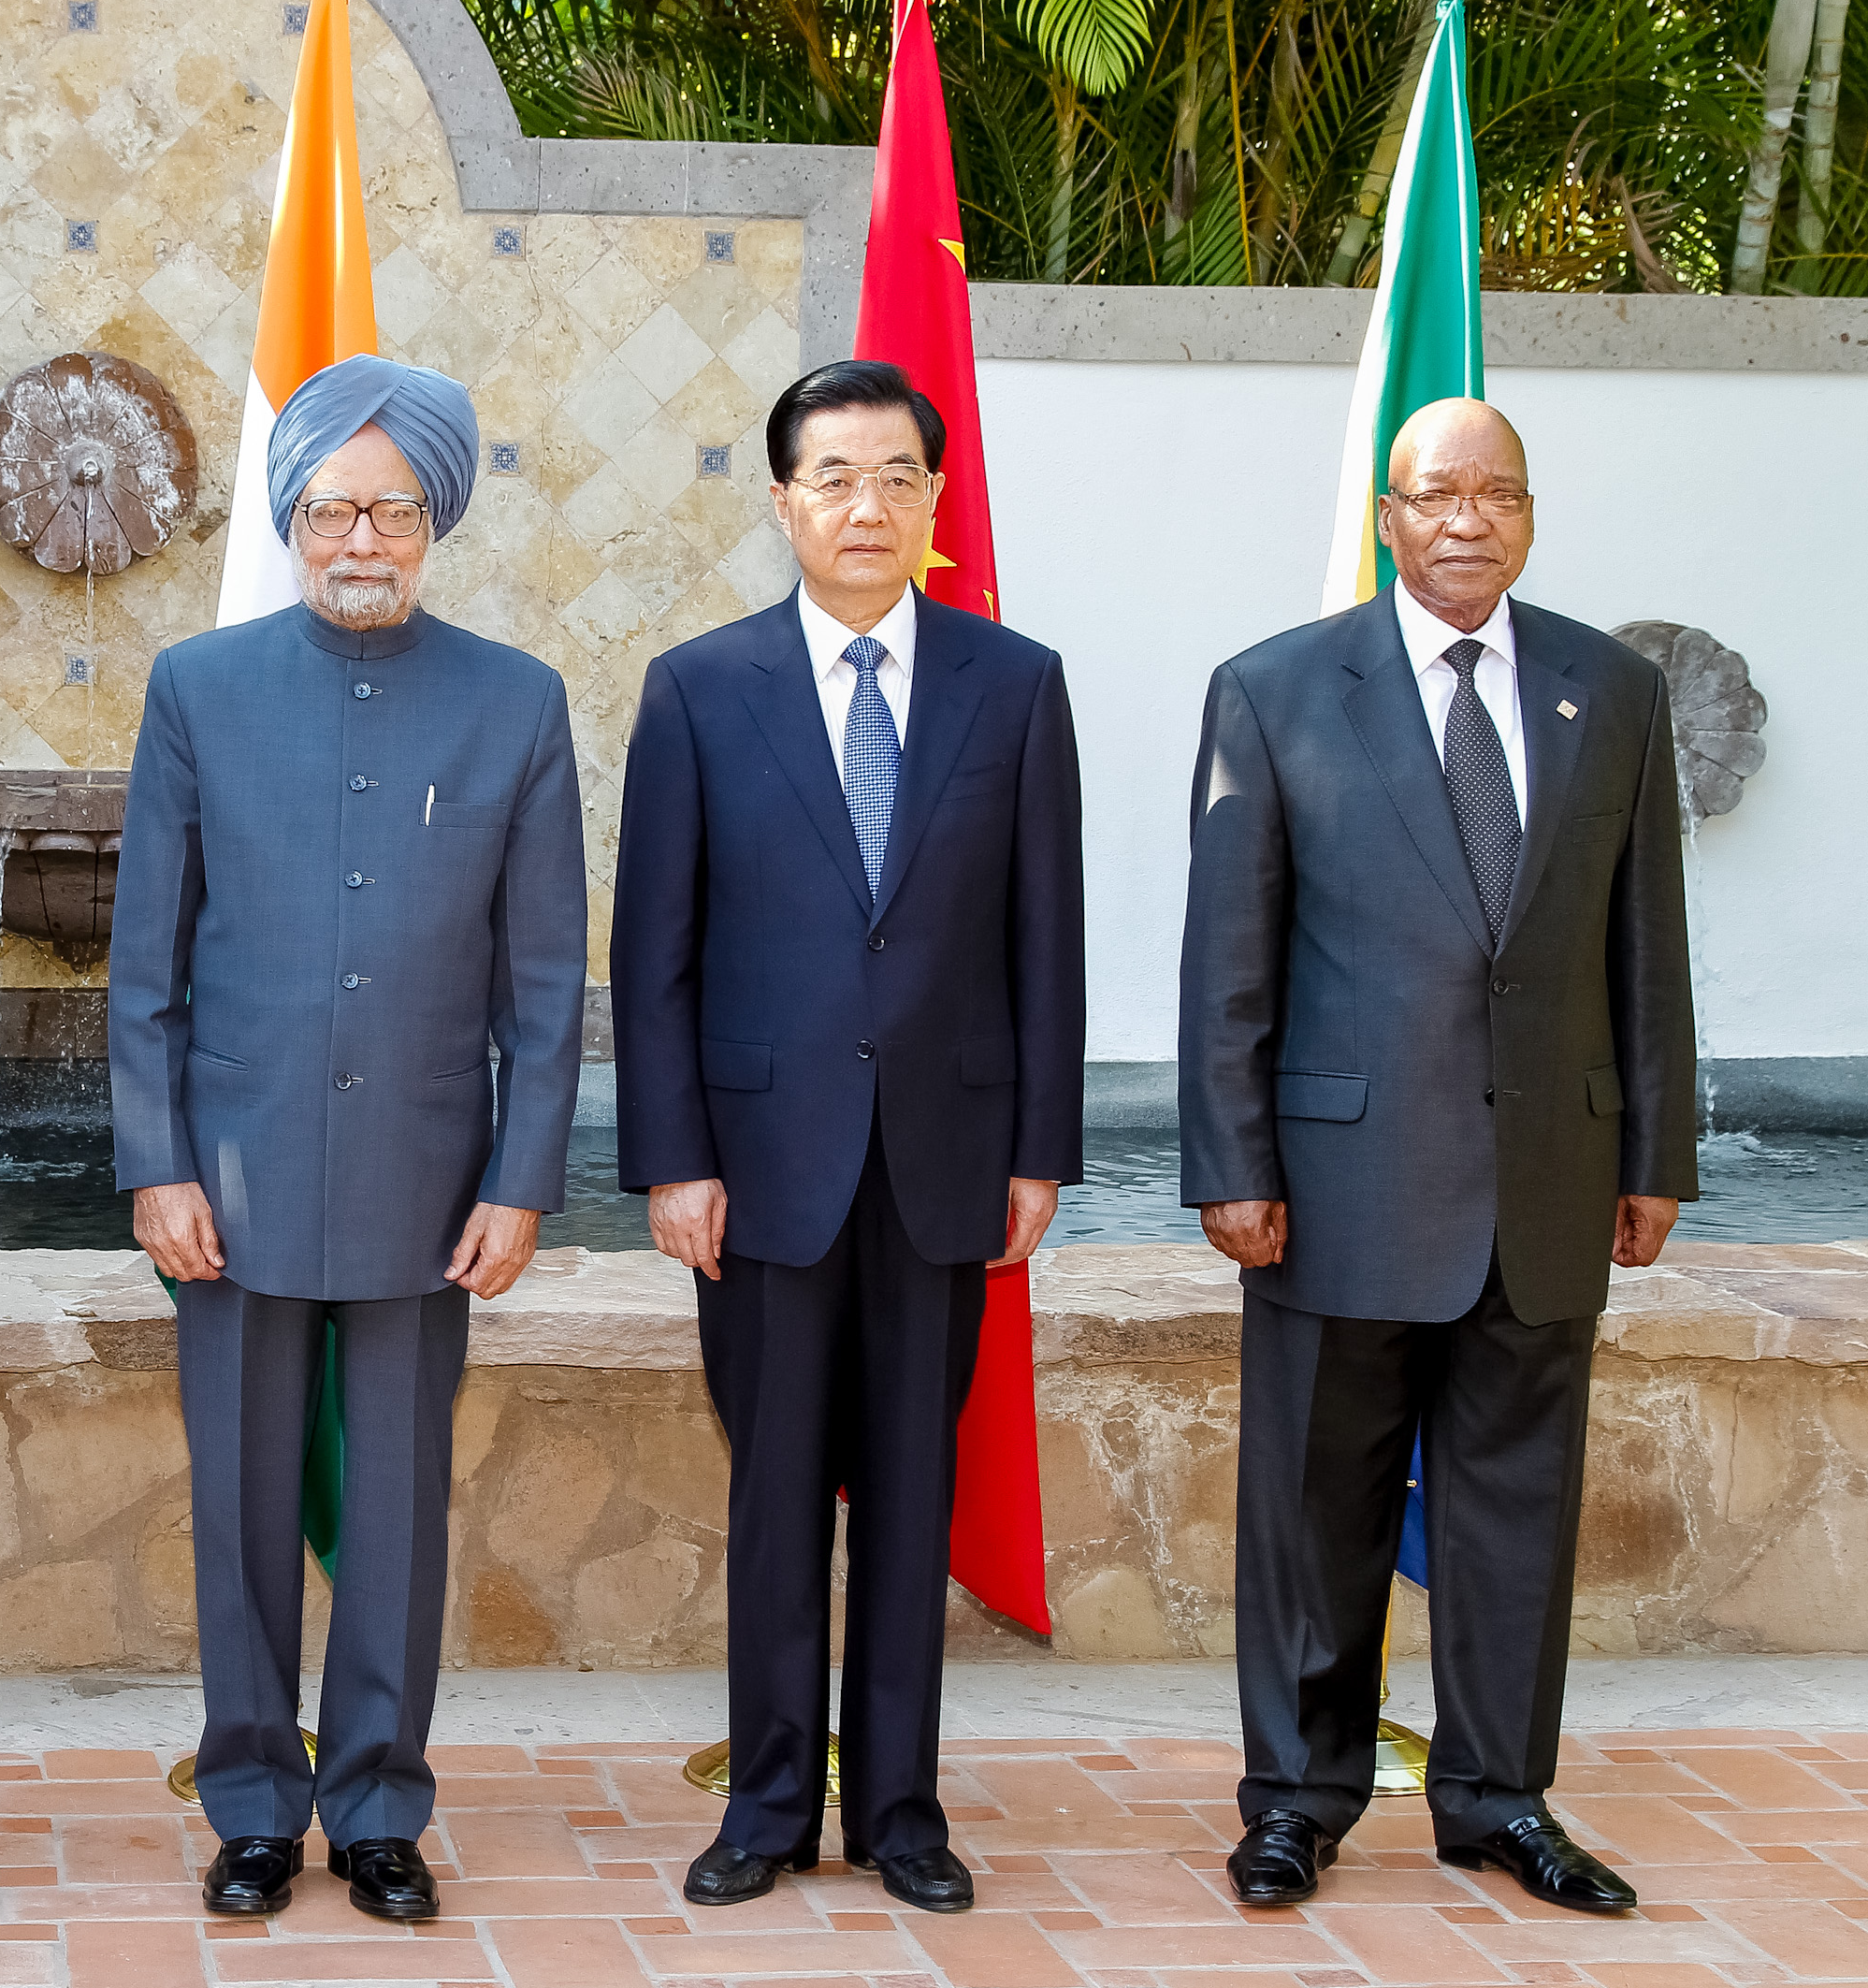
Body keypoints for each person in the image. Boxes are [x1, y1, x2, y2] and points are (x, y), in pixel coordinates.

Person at [1181, 397, 1695, 1915]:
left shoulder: (1611, 690)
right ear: (1389, 516)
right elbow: (1230, 955)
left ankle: (1496, 1800)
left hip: (1544, 1183)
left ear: (1527, 513)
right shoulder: (1274, 689)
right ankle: (1294, 1799)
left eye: (1498, 494)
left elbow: (1644, 940)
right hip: (1336, 1188)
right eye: (1437, 494)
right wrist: (1230, 1158)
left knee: (1515, 1513)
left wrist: (1651, 1146)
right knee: (1312, 1510)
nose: (1467, 519)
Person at [109, 353, 586, 1924]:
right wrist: (154, 1160)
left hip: (426, 1183)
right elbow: (146, 964)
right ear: (291, 516)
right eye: (329, 507)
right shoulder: (196, 685)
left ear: (433, 516)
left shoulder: (515, 701)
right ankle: (251, 1799)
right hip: (230, 1179)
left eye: (388, 505)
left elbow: (540, 980)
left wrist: (522, 1183)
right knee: (240, 1503)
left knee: (392, 1508)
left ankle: (379, 1803)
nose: (359, 536)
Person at [613, 358, 1084, 1917]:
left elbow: (1044, 939)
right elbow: (654, 949)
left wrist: (1040, 1149)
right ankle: (762, 1806)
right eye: (832, 474)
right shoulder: (697, 687)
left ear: (935, 501)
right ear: (781, 501)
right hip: (757, 1172)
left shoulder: (1013, 685)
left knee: (904, 1493)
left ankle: (898, 1809)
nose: (864, 502)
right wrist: (672, 1160)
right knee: (771, 1498)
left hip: (944, 1164)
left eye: (895, 473)